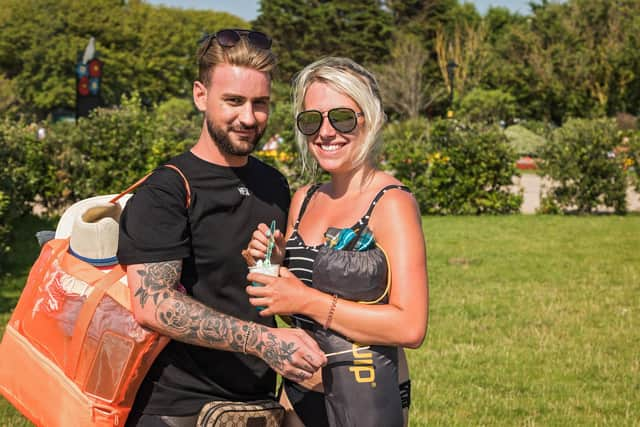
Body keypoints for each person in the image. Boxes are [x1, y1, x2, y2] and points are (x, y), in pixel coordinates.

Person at [117, 29, 326, 427]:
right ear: (200, 95)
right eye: (233, 101)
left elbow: (261, 290)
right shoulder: (168, 188)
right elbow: (153, 304)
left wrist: (277, 267)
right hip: (176, 409)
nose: (248, 118)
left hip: (259, 404)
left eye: (260, 103)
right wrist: (263, 342)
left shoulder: (273, 185)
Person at [246, 57, 429, 426]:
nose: (326, 132)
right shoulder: (304, 199)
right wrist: (275, 270)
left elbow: (410, 326)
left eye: (342, 117)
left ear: (370, 118)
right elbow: (297, 315)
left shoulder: (391, 203)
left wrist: (307, 299)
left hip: (367, 398)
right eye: (312, 120)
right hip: (298, 395)